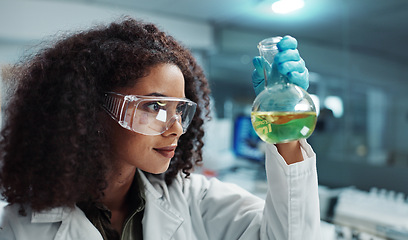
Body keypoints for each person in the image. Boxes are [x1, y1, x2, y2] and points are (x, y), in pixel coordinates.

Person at [0, 17, 320, 239]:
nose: (177, 129)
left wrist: (286, 129)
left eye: (180, 109)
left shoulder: (193, 198)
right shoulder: (19, 228)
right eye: (154, 106)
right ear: (89, 111)